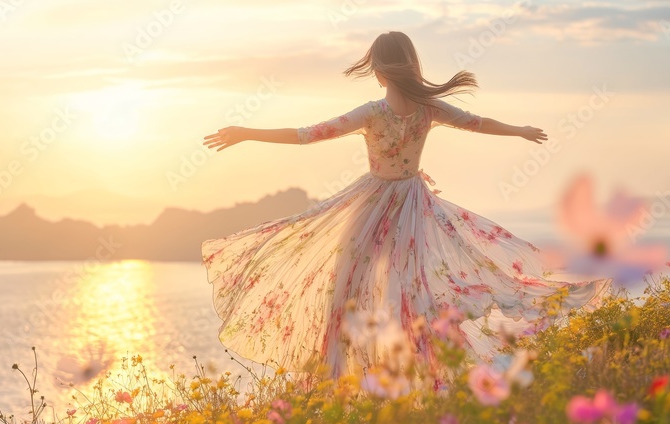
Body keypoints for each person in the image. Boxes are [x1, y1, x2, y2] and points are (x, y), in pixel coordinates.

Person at [201, 31, 609, 379]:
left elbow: (308, 134)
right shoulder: (429, 109)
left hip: (372, 208)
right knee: (411, 296)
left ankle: (345, 378)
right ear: (411, 66)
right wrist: (519, 131)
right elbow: (478, 123)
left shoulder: (373, 111)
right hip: (414, 209)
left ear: (378, 72)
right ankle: (406, 376)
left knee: (343, 297)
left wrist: (247, 132)